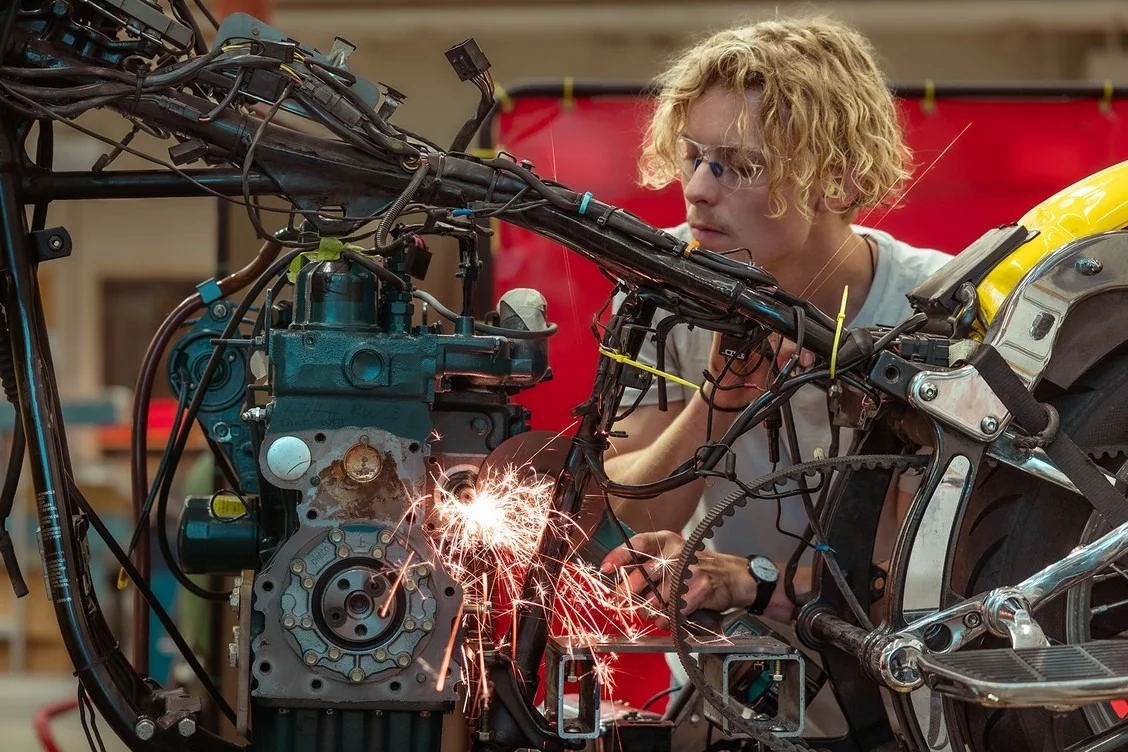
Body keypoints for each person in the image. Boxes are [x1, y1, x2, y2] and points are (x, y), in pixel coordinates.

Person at [598, 16, 953, 626]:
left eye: (738, 166)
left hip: (903, 700)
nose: (698, 191)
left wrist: (753, 580)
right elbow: (633, 514)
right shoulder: (663, 285)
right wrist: (723, 397)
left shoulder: (939, 313)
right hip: (724, 689)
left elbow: (923, 575)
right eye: (693, 158)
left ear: (835, 181)